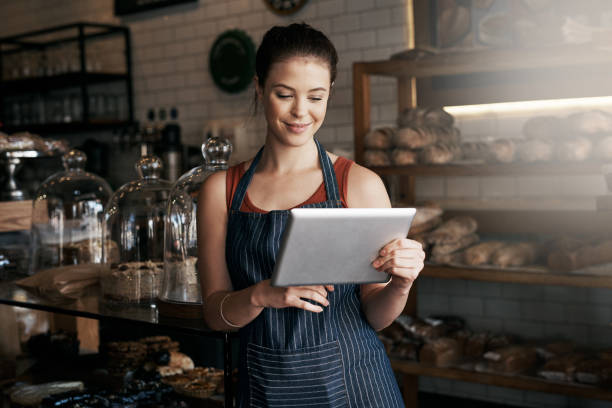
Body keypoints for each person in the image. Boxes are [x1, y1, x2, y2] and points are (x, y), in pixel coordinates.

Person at [197, 22, 425, 408]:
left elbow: (375, 315)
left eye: (316, 97)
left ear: (329, 94)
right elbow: (215, 316)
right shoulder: (221, 191)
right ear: (259, 88)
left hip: (357, 385)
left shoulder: (360, 184)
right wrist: (260, 295)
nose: (301, 112)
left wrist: (401, 284)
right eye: (284, 94)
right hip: (264, 388)